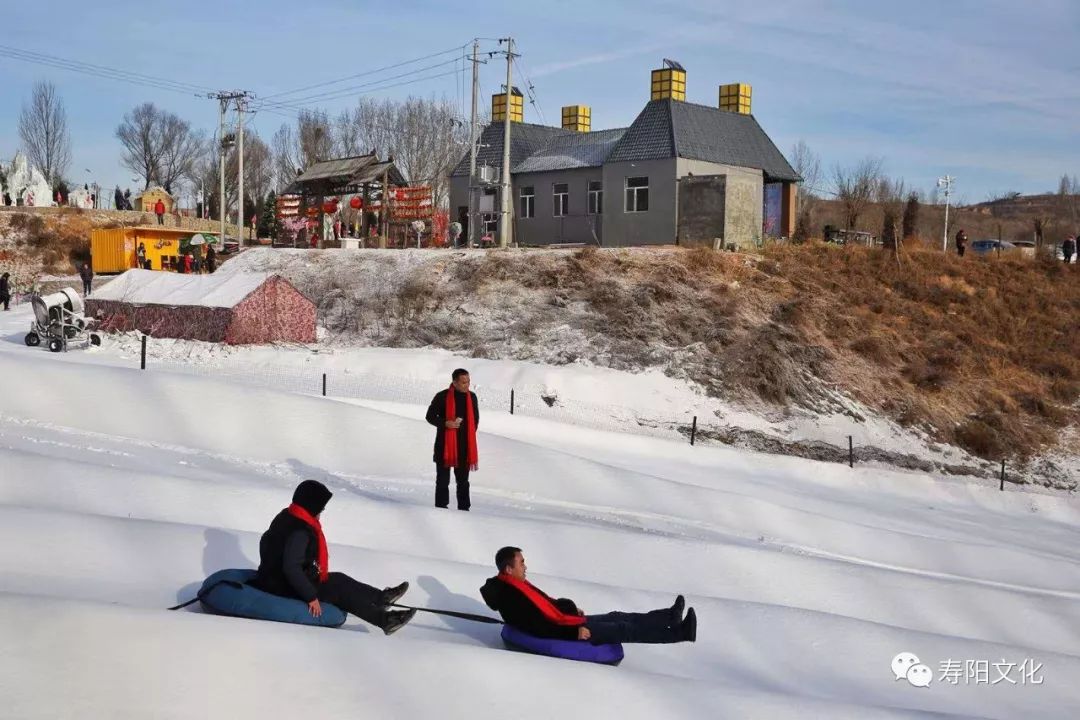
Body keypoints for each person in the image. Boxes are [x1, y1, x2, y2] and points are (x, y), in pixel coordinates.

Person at [252, 479, 417, 635]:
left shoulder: (288, 515)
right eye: (320, 508)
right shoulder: (300, 532)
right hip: (283, 586)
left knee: (339, 579)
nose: (322, 512)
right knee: (339, 591)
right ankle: (385, 620)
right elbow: (291, 568)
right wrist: (310, 596)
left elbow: (270, 545)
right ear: (311, 506)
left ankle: (380, 598)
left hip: (277, 579)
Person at [480, 547, 696, 645]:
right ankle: (680, 633)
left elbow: (548, 605)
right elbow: (537, 626)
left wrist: (570, 610)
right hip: (567, 631)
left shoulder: (516, 585)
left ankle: (669, 617)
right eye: (521, 562)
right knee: (623, 629)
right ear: (508, 569)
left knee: (618, 615)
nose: (525, 566)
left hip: (568, 622)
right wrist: (574, 633)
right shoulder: (510, 597)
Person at [425, 369, 479, 511]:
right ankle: (441, 509)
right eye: (463, 382)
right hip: (445, 447)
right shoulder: (442, 396)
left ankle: (464, 510)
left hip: (464, 447)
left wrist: (468, 434)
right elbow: (430, 416)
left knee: (463, 482)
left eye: (468, 381)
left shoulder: (472, 397)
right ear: (454, 382)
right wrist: (445, 423)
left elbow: (476, 420)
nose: (467, 385)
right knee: (443, 481)